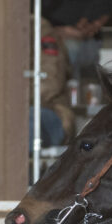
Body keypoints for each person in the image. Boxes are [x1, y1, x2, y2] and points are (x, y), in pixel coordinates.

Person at [29, 18, 76, 153]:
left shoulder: (38, 27)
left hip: (49, 109)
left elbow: (50, 81)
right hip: (3, 111)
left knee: (23, 125)